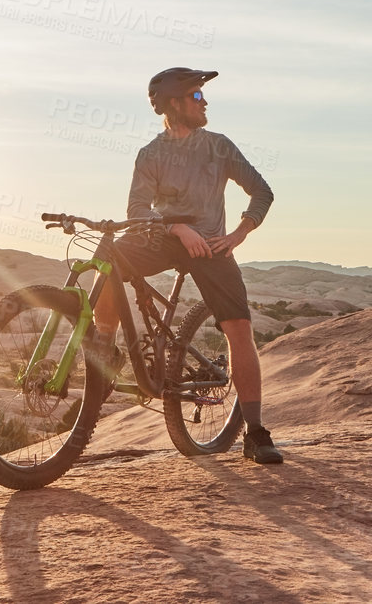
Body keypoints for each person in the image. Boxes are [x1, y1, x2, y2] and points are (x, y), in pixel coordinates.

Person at [90, 67, 281, 463]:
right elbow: (138, 209)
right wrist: (176, 227)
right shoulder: (151, 154)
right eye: (196, 96)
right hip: (162, 237)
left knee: (239, 329)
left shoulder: (219, 146)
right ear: (175, 104)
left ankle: (256, 433)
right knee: (108, 258)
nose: (205, 101)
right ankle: (105, 349)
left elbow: (261, 191)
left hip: (211, 245)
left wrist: (239, 234)